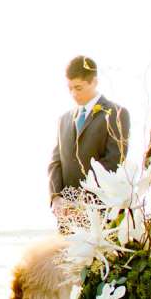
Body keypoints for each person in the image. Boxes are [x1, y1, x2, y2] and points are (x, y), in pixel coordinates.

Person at [49, 55, 130, 210]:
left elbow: (115, 160)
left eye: (78, 88)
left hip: (99, 209)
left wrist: (83, 198)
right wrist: (56, 197)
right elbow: (55, 162)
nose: (73, 93)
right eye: (70, 88)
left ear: (94, 82)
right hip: (67, 214)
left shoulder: (116, 113)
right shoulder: (63, 120)